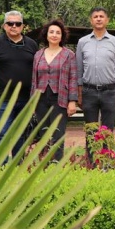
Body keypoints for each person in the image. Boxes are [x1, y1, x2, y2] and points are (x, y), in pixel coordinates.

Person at [0, 10, 39, 158]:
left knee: (20, 134)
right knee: (2, 133)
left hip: (26, 99)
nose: (14, 26)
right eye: (10, 23)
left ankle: (17, 164)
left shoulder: (32, 44)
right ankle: (0, 166)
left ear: (22, 26)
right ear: (4, 26)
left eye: (17, 23)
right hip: (2, 99)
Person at [76, 7, 115, 165]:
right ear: (91, 20)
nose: (98, 19)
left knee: (107, 130)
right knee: (90, 130)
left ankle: (106, 163)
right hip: (89, 90)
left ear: (107, 20)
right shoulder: (82, 42)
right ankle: (91, 162)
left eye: (101, 16)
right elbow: (79, 70)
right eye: (95, 16)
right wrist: (79, 93)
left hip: (110, 91)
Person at [31, 19, 78, 162]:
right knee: (43, 132)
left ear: (62, 36)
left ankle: (56, 164)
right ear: (46, 35)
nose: (54, 35)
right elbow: (34, 79)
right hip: (41, 98)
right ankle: (42, 163)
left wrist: (72, 101)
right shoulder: (38, 55)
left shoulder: (69, 55)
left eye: (58, 33)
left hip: (60, 98)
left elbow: (73, 78)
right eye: (51, 32)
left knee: (58, 133)